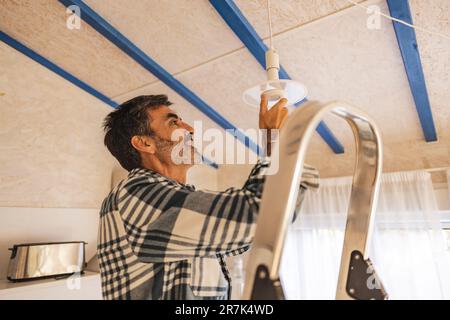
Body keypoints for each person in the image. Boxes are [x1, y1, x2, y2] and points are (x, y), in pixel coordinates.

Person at [98, 94, 319, 299]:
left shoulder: (178, 197)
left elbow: (240, 236)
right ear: (144, 143)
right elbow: (258, 218)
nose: (191, 129)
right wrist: (279, 140)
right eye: (173, 123)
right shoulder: (136, 191)